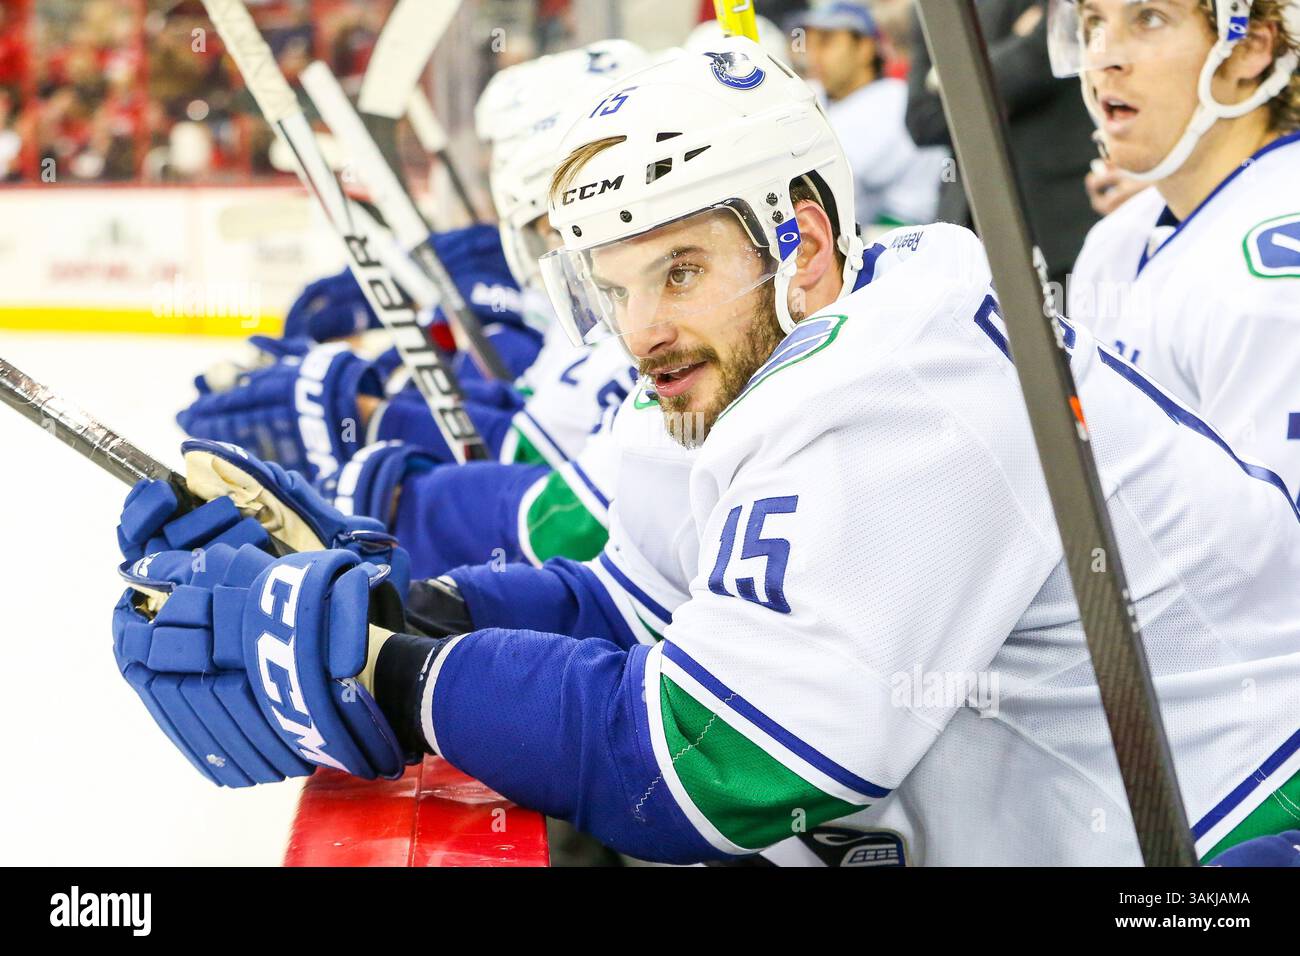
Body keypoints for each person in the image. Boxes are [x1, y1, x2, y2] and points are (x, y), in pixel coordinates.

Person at [111, 37, 1300, 866]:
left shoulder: (902, 384)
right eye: (616, 286)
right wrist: (410, 607)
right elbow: (636, 602)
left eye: (679, 271)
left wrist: (394, 681)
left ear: (806, 240)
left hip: (1239, 824)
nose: (641, 332)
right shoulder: (747, 359)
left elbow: (707, 762)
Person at [1059, 0, 1300, 503]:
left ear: (1250, 49)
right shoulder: (1116, 239)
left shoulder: (1274, 276)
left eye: (1148, 18)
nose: (1104, 56)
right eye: (1093, 23)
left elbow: (1270, 556)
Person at [905, 0, 1099, 285]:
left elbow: (1048, 53)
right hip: (967, 229)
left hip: (1058, 226)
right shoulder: (931, 7)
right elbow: (922, 121)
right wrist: (1015, 45)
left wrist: (942, 76)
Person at [792, 1, 947, 232]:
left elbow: (832, 181)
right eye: (810, 44)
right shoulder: (816, 96)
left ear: (865, 47)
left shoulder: (892, 98)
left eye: (826, 42)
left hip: (902, 234)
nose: (813, 56)